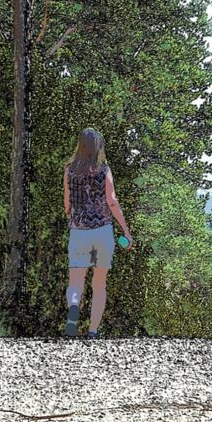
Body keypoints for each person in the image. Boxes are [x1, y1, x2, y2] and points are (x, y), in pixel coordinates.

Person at [63, 129, 133, 338]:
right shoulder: (104, 170)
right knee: (99, 283)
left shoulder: (69, 170)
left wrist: (72, 217)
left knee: (76, 281)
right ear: (98, 147)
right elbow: (111, 200)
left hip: (78, 231)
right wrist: (126, 231)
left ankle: (73, 311)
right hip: (102, 231)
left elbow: (67, 203)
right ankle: (93, 330)